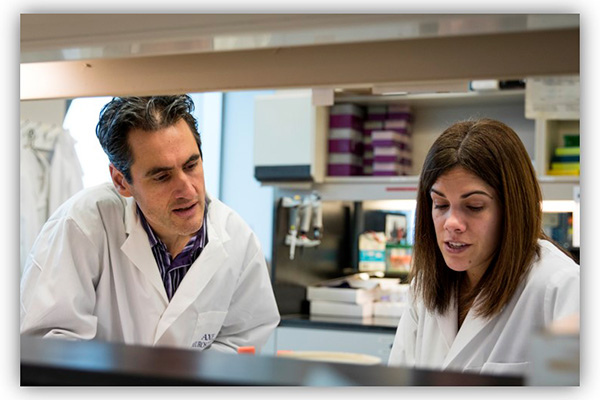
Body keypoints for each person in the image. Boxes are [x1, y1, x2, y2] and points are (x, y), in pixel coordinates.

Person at [20, 95, 280, 353]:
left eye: (191, 165)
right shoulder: (81, 226)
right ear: (122, 182)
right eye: (162, 176)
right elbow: (48, 344)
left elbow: (242, 340)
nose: (187, 190)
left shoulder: (238, 241)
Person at [388, 118, 579, 376]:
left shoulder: (560, 288)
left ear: (512, 209)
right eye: (440, 205)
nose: (452, 223)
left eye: (474, 206)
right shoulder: (425, 288)